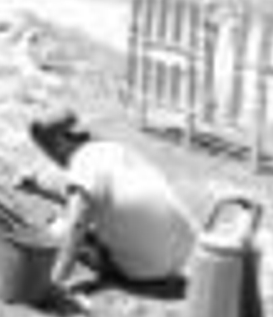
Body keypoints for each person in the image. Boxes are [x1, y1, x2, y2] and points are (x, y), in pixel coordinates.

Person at [27, 109, 198, 287]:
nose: (51, 156)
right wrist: (41, 190)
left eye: (49, 148)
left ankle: (121, 266)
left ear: (61, 140)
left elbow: (77, 224)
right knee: (83, 224)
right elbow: (100, 203)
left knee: (58, 229)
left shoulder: (82, 162)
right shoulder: (112, 149)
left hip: (149, 270)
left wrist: (57, 279)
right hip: (185, 256)